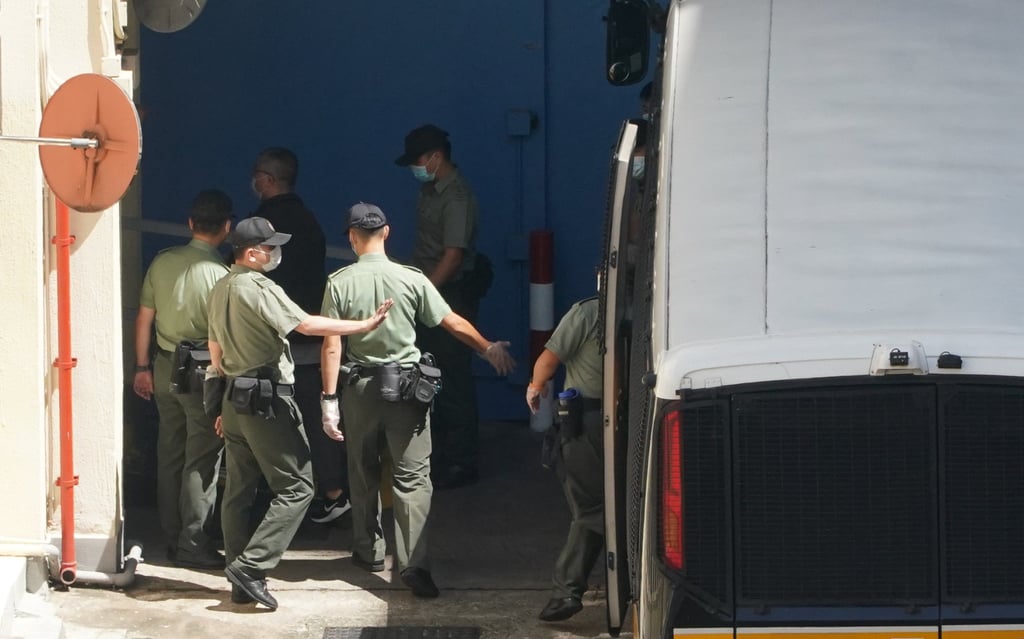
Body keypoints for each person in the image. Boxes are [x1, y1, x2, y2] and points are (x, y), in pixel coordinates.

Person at [319, 202, 514, 598]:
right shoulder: (411, 278)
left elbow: (331, 346)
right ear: (387, 233)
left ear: (352, 238)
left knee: (362, 469)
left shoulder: (338, 282)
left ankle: (368, 550)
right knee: (412, 477)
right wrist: (486, 347)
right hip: (407, 389)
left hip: (359, 388)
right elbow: (452, 321)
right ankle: (414, 564)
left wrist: (328, 400)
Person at [207, 216, 393, 611]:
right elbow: (306, 324)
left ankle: (238, 575)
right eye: (270, 247)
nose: (276, 253)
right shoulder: (259, 287)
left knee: (239, 489)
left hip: (234, 397)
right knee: (298, 487)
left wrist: (221, 403)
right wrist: (364, 324)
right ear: (252, 252)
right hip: (265, 397)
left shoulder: (221, 284)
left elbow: (215, 349)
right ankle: (252, 567)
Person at [132, 189, 233, 569]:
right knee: (202, 458)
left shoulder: (162, 262)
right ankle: (193, 542)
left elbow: (144, 318)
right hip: (203, 372)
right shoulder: (223, 277)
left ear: (190, 224)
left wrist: (141, 368)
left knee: (169, 451)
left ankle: (172, 535)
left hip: (162, 366)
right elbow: (223, 339)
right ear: (227, 228)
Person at [250, 147, 349, 524]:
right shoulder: (310, 221)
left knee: (268, 421)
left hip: (271, 340)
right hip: (310, 339)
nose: (254, 181)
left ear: (269, 180)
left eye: (257, 174)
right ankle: (333, 492)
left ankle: (285, 495)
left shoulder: (261, 224)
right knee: (315, 417)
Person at [394, 124, 485, 489]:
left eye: (418, 161)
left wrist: (423, 293)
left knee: (453, 376)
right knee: (431, 376)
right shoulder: (429, 190)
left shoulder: (456, 197)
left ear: (436, 157)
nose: (415, 169)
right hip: (431, 289)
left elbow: (452, 256)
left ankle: (462, 460)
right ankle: (442, 452)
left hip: (448, 293)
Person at [525, 296, 604, 622]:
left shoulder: (589, 311)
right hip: (637, 418)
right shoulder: (656, 305)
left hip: (589, 425)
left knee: (590, 508)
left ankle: (566, 592)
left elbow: (549, 359)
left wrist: (534, 386)